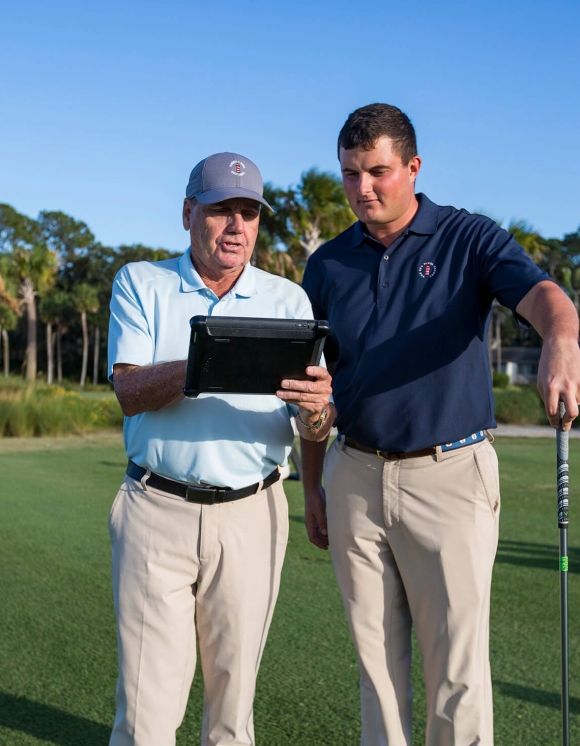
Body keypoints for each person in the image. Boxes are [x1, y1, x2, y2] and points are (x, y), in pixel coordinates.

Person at [300, 104, 580, 746]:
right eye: (349, 174)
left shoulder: (469, 237)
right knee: (376, 668)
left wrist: (563, 337)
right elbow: (311, 383)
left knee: (455, 671)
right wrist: (311, 483)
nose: (362, 190)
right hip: (355, 476)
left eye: (378, 172)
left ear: (414, 167)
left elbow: (540, 295)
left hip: (450, 475)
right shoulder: (328, 263)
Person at [107, 151, 333, 746]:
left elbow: (313, 423)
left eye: (249, 213)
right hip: (156, 510)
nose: (237, 226)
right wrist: (210, 361)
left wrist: (318, 415)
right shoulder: (141, 282)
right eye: (220, 210)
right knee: (146, 712)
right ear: (188, 214)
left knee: (233, 714)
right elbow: (129, 390)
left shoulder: (289, 302)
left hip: (253, 515)